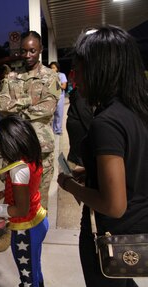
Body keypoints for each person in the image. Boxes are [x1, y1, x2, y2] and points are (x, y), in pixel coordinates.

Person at [57, 25, 148, 287]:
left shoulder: (106, 122)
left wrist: (70, 185)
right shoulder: (136, 110)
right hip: (136, 230)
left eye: (80, 70)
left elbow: (113, 204)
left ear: (101, 69)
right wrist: (92, 172)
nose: (75, 79)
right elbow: (134, 163)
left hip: (111, 238)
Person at [0, 115, 49, 287]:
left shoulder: (18, 170)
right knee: (34, 268)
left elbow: (20, 210)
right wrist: (3, 193)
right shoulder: (30, 160)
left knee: (27, 277)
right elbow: (26, 190)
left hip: (26, 229)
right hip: (38, 220)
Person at [0, 31, 60, 211]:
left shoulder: (50, 76)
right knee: (14, 198)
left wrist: (16, 109)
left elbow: (48, 108)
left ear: (40, 49)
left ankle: (37, 238)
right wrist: (30, 102)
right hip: (14, 149)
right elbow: (1, 105)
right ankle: (14, 236)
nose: (28, 55)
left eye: (32, 50)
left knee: (39, 201)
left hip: (41, 149)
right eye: (24, 51)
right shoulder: (12, 76)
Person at [66, 88, 92, 168]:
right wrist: (92, 128)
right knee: (77, 155)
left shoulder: (80, 90)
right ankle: (66, 175)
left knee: (75, 153)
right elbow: (84, 112)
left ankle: (66, 174)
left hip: (76, 122)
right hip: (79, 125)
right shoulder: (82, 91)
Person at [49, 61, 67, 135]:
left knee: (59, 114)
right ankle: (51, 130)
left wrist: (56, 82)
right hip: (51, 96)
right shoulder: (49, 76)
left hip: (60, 97)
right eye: (51, 68)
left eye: (54, 67)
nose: (52, 69)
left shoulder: (62, 75)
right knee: (51, 114)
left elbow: (64, 86)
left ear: (57, 68)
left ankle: (58, 130)